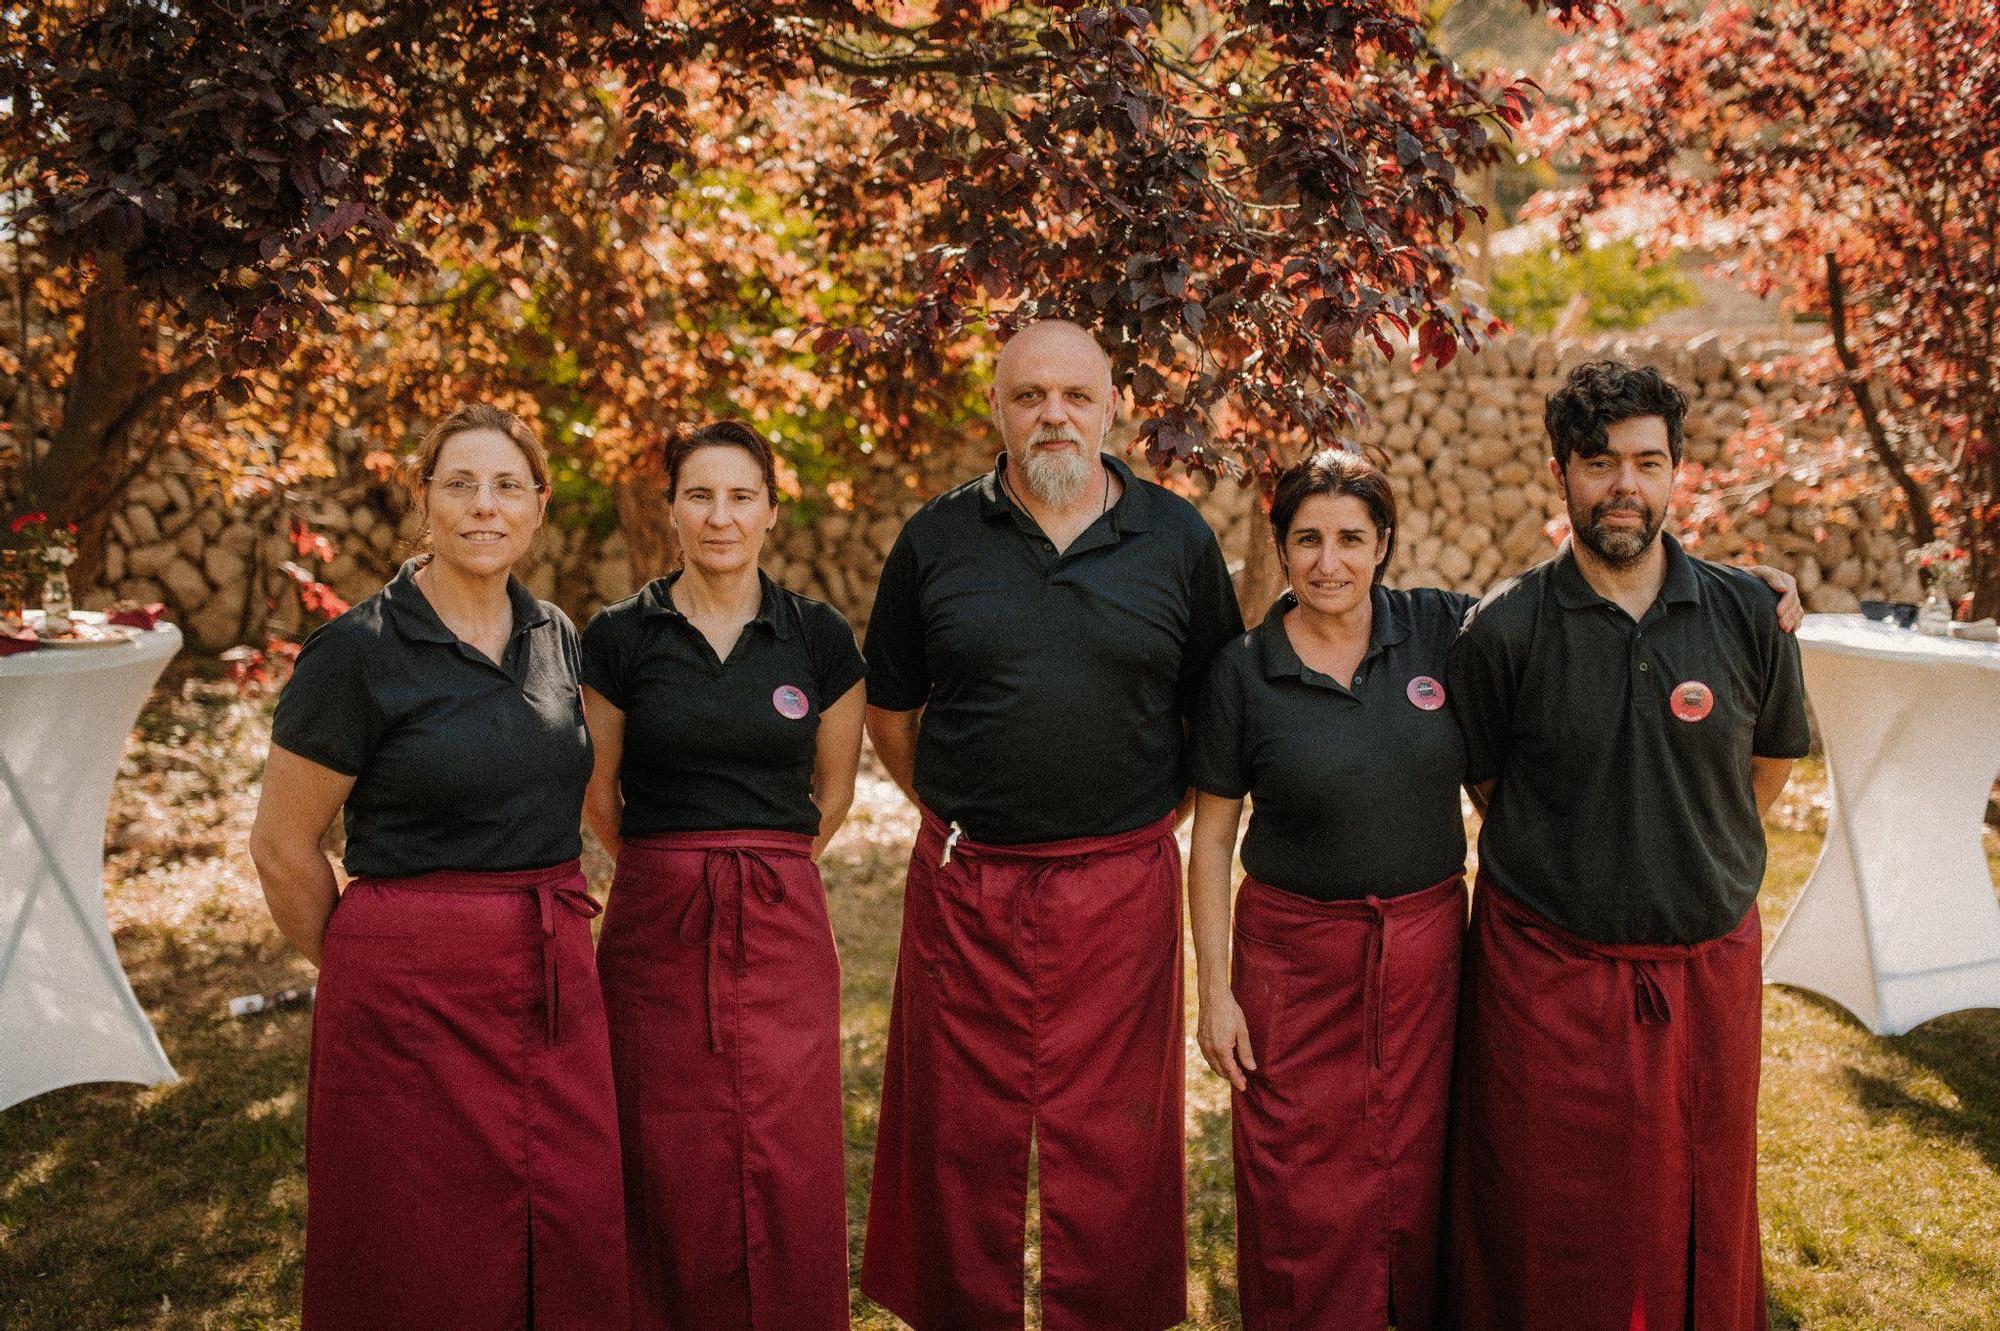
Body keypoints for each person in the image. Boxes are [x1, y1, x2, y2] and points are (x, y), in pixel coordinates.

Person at [858, 319, 1245, 1331]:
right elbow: (890, 712)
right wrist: (958, 804)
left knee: (1114, 1142)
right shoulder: (934, 537)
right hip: (965, 886)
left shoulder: (1176, 539)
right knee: (956, 1134)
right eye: (1029, 395)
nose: (1053, 415)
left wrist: (1146, 816)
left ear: (1112, 405)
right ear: (996, 409)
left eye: (1074, 394)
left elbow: (1215, 714)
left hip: (1120, 884)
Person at [1444, 360, 1811, 1330]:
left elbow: (1765, 770)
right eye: (1599, 462)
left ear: (1674, 473)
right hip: (1545, 972)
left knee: (1701, 1190)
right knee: (1542, 1205)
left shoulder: (1746, 613)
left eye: (1647, 462)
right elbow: (1488, 785)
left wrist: (1687, 851)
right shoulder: (1504, 628)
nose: (1623, 485)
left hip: (1704, 966)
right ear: (1561, 472)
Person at [248, 404, 625, 1331]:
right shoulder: (357, 653)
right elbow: (282, 845)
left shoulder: (556, 637)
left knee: (566, 1221)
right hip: (406, 997)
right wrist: (369, 967)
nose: (483, 506)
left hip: (547, 978)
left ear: (538, 506)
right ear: (423, 500)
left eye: (507, 486)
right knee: (417, 1247)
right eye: (459, 483)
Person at [581, 420, 865, 1331]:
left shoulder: (817, 636)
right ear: (669, 511)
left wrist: (766, 868)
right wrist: (673, 869)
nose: (720, 515)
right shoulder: (621, 637)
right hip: (656, 921)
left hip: (783, 921)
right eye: (699, 495)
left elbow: (835, 788)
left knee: (788, 1144)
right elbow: (599, 795)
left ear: (772, 512)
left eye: (741, 495)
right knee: (667, 1143)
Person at [1187, 449, 1475, 1331]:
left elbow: (1571, 593)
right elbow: (1211, 840)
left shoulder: (1440, 630)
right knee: (1298, 1178)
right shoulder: (1242, 670)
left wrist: (1739, 586)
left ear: (1383, 542)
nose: (1329, 560)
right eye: (1307, 538)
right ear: (1280, 549)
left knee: (1418, 1165)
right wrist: (1214, 990)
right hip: (1292, 961)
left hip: (1427, 957)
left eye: (1351, 537)